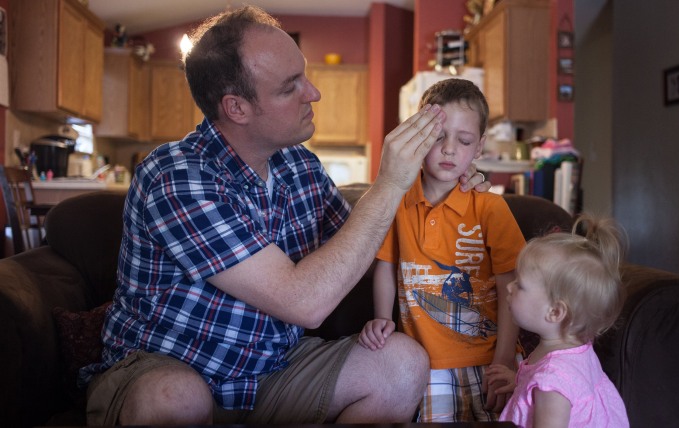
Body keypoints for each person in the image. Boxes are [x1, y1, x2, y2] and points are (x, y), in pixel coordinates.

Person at [79, 5, 491, 426]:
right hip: (168, 366)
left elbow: (362, 251)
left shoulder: (299, 166)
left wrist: (446, 195)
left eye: (304, 75)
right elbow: (305, 302)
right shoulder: (176, 176)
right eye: (289, 86)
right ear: (237, 108)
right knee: (176, 398)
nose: (313, 93)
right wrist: (389, 184)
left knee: (402, 365)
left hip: (271, 371)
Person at [358, 78, 525, 422]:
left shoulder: (491, 208)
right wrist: (381, 318)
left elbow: (513, 285)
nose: (449, 149)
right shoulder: (397, 202)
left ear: (479, 147)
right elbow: (386, 268)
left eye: (463, 141)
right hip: (428, 364)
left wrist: (505, 357)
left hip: (491, 360)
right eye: (437, 137)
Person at [489, 214, 630, 427]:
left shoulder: (552, 384)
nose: (509, 287)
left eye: (520, 285)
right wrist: (520, 382)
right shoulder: (575, 348)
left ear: (555, 312)